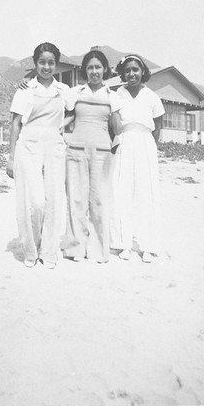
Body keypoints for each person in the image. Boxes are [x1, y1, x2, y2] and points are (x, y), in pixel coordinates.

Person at [6, 42, 70, 269]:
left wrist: (63, 127)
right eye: (42, 62)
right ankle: (30, 250)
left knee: (53, 200)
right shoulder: (25, 89)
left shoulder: (63, 91)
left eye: (51, 62)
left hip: (54, 145)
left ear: (56, 64)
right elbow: (15, 124)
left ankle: (49, 252)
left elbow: (76, 111)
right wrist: (11, 158)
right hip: (28, 145)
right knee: (34, 202)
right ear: (35, 63)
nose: (46, 67)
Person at [62, 50, 122, 263]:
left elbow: (117, 128)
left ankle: (97, 249)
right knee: (76, 200)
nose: (94, 71)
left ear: (105, 69)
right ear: (84, 70)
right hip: (76, 150)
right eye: (90, 67)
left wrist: (117, 115)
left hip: (102, 154)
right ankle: (76, 248)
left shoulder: (113, 96)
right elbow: (67, 118)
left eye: (98, 67)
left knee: (99, 201)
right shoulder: (75, 93)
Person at [111, 54, 165, 263]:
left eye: (135, 69)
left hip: (145, 143)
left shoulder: (152, 96)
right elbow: (113, 124)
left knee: (146, 193)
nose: (131, 74)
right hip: (124, 142)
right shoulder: (117, 94)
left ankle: (149, 246)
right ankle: (124, 244)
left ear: (143, 72)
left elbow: (157, 127)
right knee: (122, 193)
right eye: (127, 70)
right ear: (122, 73)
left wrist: (147, 147)